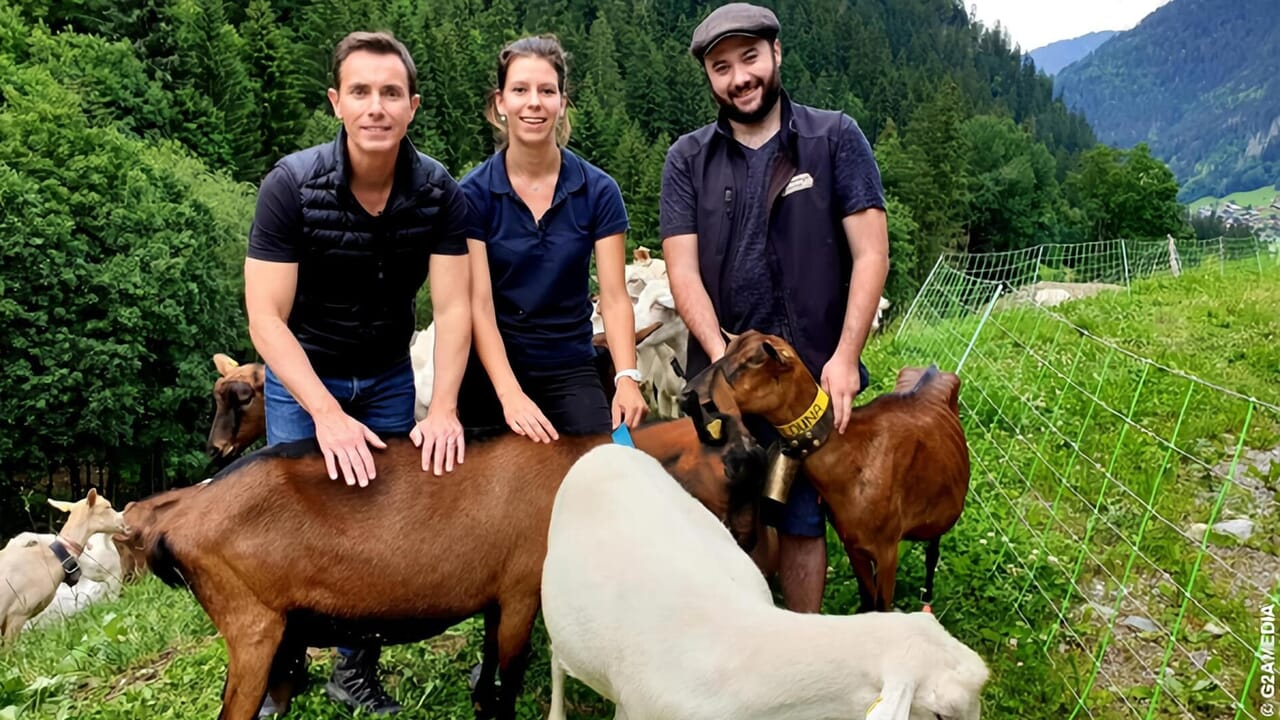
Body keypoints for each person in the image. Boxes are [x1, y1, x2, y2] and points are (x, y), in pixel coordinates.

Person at [244, 30, 472, 716]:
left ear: (413, 106)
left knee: (378, 525)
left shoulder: (438, 192)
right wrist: (325, 413)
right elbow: (265, 319)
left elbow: (454, 308)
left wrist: (444, 408)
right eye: (362, 92)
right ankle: (280, 666)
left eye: (392, 93)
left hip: (387, 375)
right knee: (294, 523)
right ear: (336, 102)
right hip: (303, 375)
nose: (377, 107)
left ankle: (354, 669)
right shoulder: (291, 186)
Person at [660, 3, 890, 613]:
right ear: (709, 77)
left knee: (803, 518)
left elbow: (871, 253)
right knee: (726, 513)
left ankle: (801, 639)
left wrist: (846, 357)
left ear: (776, 53)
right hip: (723, 379)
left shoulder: (833, 139)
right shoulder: (687, 159)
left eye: (750, 58)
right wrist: (725, 362)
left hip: (808, 377)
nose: (739, 77)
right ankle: (739, 635)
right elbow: (681, 270)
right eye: (722, 67)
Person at [457, 34, 648, 441]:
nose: (534, 103)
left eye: (547, 91)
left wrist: (627, 377)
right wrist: (510, 395)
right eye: (520, 90)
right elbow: (479, 305)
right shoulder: (472, 195)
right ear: (500, 102)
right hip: (491, 369)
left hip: (570, 365)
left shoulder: (599, 191)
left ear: (562, 102)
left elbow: (614, 297)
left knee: (606, 461)